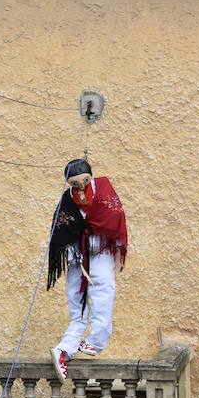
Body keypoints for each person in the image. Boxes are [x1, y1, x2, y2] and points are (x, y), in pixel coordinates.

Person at [46, 158, 128, 382]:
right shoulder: (67, 200)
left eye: (83, 181)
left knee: (102, 289)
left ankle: (96, 340)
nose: (80, 187)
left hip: (100, 248)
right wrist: (74, 254)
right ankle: (65, 349)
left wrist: (110, 244)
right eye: (74, 184)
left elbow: (114, 216)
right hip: (77, 253)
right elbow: (61, 228)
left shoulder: (103, 191)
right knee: (76, 300)